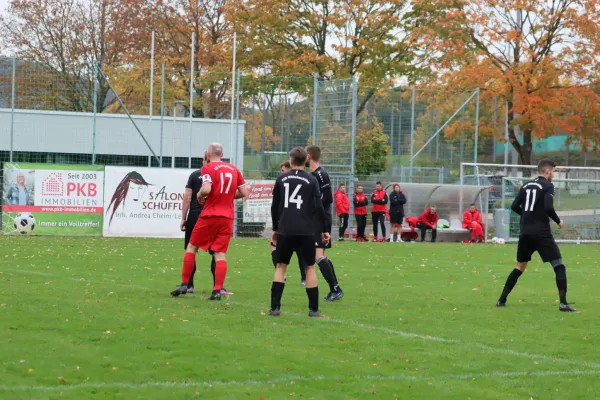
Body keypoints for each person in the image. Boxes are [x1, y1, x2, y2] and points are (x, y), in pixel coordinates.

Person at [170, 143, 248, 300]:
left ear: (208, 153)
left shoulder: (207, 168)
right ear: (222, 153)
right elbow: (245, 192)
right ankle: (217, 290)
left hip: (210, 215)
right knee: (220, 253)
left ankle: (185, 284)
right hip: (227, 218)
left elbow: (206, 189)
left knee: (192, 247)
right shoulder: (234, 169)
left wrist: (200, 195)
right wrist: (225, 197)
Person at [496, 158, 576, 312]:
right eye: (552, 171)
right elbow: (548, 207)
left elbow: (514, 206)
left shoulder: (526, 185)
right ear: (547, 171)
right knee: (559, 265)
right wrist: (558, 221)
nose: (553, 174)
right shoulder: (548, 186)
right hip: (541, 232)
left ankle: (501, 300)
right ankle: (563, 303)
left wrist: (527, 215)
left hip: (525, 231)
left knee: (520, 266)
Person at [269, 147, 330, 317]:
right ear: (305, 160)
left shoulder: (281, 179)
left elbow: (275, 206)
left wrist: (275, 228)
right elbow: (319, 207)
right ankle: (314, 310)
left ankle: (275, 308)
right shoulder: (311, 180)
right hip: (306, 230)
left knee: (281, 266)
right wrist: (324, 230)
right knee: (309, 267)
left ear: (291, 160)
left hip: (286, 229)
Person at [305, 145, 344, 302]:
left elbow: (327, 198)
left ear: (309, 156)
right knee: (321, 256)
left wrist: (314, 210)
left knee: (317, 255)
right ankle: (335, 288)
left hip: (320, 219)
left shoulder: (321, 174)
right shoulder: (314, 174)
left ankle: (336, 288)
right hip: (318, 218)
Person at [271, 160, 307, 285]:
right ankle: (304, 278)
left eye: (283, 170)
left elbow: (275, 205)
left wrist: (275, 226)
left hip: (286, 225)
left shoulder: (283, 181)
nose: (282, 173)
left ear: (289, 166)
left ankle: (282, 276)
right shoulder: (307, 180)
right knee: (301, 253)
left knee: (283, 258)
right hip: (301, 224)